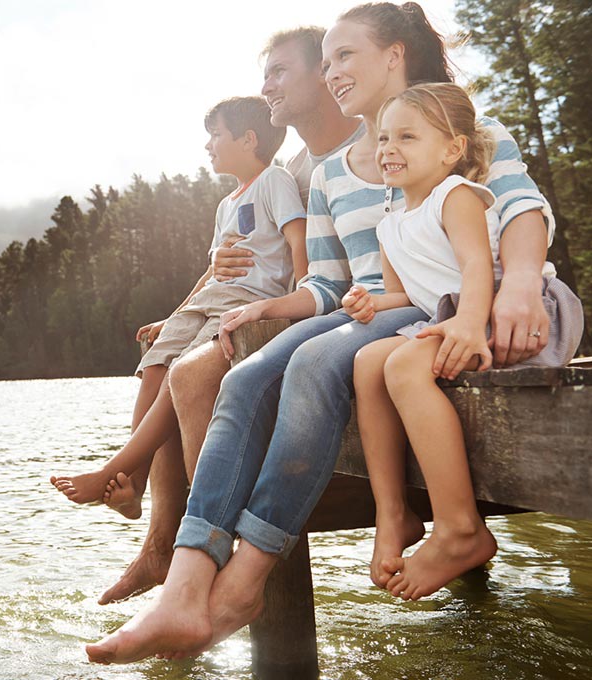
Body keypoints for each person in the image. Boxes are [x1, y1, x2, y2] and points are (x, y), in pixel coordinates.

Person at [85, 2, 555, 665]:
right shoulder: (333, 172)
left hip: (437, 306)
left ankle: (244, 582)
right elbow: (330, 283)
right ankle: (187, 583)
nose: (332, 72)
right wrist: (266, 310)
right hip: (373, 307)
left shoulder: (463, 133)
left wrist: (522, 284)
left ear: (394, 55)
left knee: (310, 367)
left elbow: (522, 211)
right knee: (245, 377)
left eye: (345, 56)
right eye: (326, 60)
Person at [94, 25, 363, 606]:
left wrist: (277, 303)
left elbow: (311, 263)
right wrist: (214, 270)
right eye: (264, 74)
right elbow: (263, 242)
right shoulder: (290, 167)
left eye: (279, 72)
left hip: (337, 312)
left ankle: (198, 554)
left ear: (325, 74)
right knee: (167, 362)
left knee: (192, 373)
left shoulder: (377, 140)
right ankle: (161, 546)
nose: (266, 85)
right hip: (293, 307)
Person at [348, 82, 583, 601]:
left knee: (405, 367)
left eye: (407, 137)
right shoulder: (389, 226)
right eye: (385, 138)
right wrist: (369, 303)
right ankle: (393, 514)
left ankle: (460, 529)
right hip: (457, 315)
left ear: (452, 149)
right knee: (368, 361)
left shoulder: (455, 196)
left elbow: (477, 265)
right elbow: (403, 295)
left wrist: (471, 324)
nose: (389, 149)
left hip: (510, 311)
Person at [50, 95, 308, 513]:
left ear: (248, 140)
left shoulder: (274, 182)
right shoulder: (226, 203)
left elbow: (298, 238)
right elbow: (211, 272)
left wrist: (300, 297)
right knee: (155, 363)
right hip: (209, 299)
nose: (208, 146)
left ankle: (114, 468)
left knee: (180, 374)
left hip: (247, 300)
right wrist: (174, 316)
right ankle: (132, 483)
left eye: (215, 135)